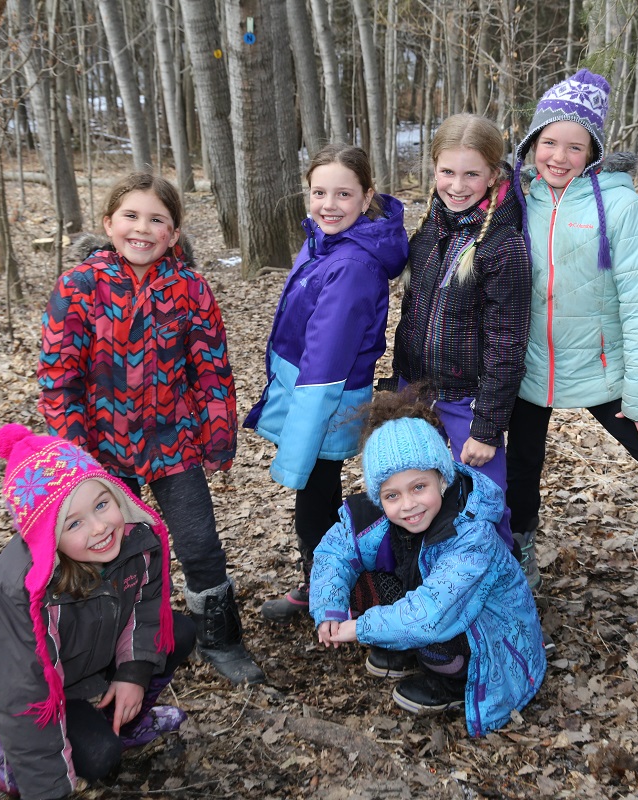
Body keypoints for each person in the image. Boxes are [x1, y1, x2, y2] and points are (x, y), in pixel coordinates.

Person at [508, 69, 638, 625]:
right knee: (520, 468)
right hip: (529, 366)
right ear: (532, 144)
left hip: (604, 366)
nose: (559, 156)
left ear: (593, 151)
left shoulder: (623, 209)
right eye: (549, 142)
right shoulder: (512, 202)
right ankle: (520, 550)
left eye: (574, 145)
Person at [37, 172, 264, 684]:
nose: (142, 229)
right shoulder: (79, 287)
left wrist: (218, 433)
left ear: (174, 232)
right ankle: (95, 646)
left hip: (173, 443)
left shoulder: (190, 288)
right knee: (102, 546)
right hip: (102, 448)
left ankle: (219, 636)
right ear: (108, 223)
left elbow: (210, 367)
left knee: (199, 541)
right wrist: (75, 454)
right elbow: (58, 375)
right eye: (131, 217)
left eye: (157, 219)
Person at [0, 424, 196, 799]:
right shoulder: (21, 590)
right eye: (74, 523)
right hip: (24, 691)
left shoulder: (136, 540)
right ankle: (10, 751)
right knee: (100, 759)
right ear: (47, 534)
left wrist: (132, 674)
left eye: (102, 504)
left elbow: (147, 611)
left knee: (177, 631)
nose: (100, 528)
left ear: (116, 494)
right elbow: (23, 692)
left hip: (83, 663)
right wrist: (48, 789)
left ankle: (125, 721)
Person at [309, 391, 546, 738]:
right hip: (427, 601)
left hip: (491, 641)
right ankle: (404, 650)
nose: (407, 505)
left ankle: (451, 683)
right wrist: (328, 610)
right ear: (379, 496)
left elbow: (433, 614)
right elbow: (334, 552)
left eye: (419, 487)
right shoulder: (378, 515)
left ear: (443, 477)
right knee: (358, 576)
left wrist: (358, 628)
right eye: (392, 495)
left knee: (438, 636)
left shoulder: (470, 535)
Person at [244, 144, 409, 624]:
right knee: (316, 491)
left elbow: (327, 358)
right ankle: (323, 580)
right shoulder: (324, 239)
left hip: (325, 399)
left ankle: (328, 588)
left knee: (315, 493)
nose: (328, 204)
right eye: (319, 192)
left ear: (366, 197)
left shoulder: (353, 264)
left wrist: (297, 441)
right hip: (308, 391)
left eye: (343, 193)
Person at [390, 114, 531, 553]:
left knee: (481, 510)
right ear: (433, 169)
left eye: (472, 173)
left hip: (466, 405)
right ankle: (426, 593)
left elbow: (507, 345)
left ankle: (499, 598)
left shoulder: (502, 247)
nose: (457, 185)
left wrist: (486, 428)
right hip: (414, 394)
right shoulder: (429, 229)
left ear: (493, 175)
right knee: (418, 506)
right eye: (447, 172)